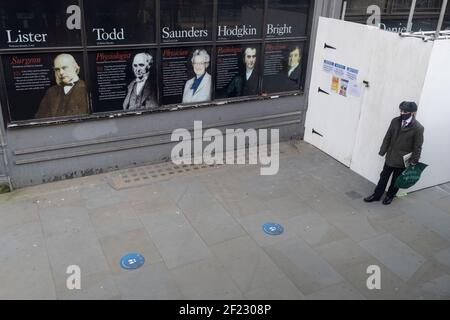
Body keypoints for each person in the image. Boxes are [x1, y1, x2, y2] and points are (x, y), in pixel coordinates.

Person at [364, 101, 424, 205]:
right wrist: (383, 151)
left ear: (412, 112)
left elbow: (417, 146)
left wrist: (414, 161)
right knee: (383, 177)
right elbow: (388, 136)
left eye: (405, 111)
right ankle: (376, 195)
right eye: (401, 110)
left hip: (403, 160)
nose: (402, 113)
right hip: (390, 156)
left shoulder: (418, 128)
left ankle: (390, 196)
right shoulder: (395, 121)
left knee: (396, 180)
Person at [35, 53, 88, 118]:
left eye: (64, 68)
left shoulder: (87, 89)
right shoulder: (51, 92)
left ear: (75, 67)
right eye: (57, 69)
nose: (61, 73)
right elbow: (40, 117)